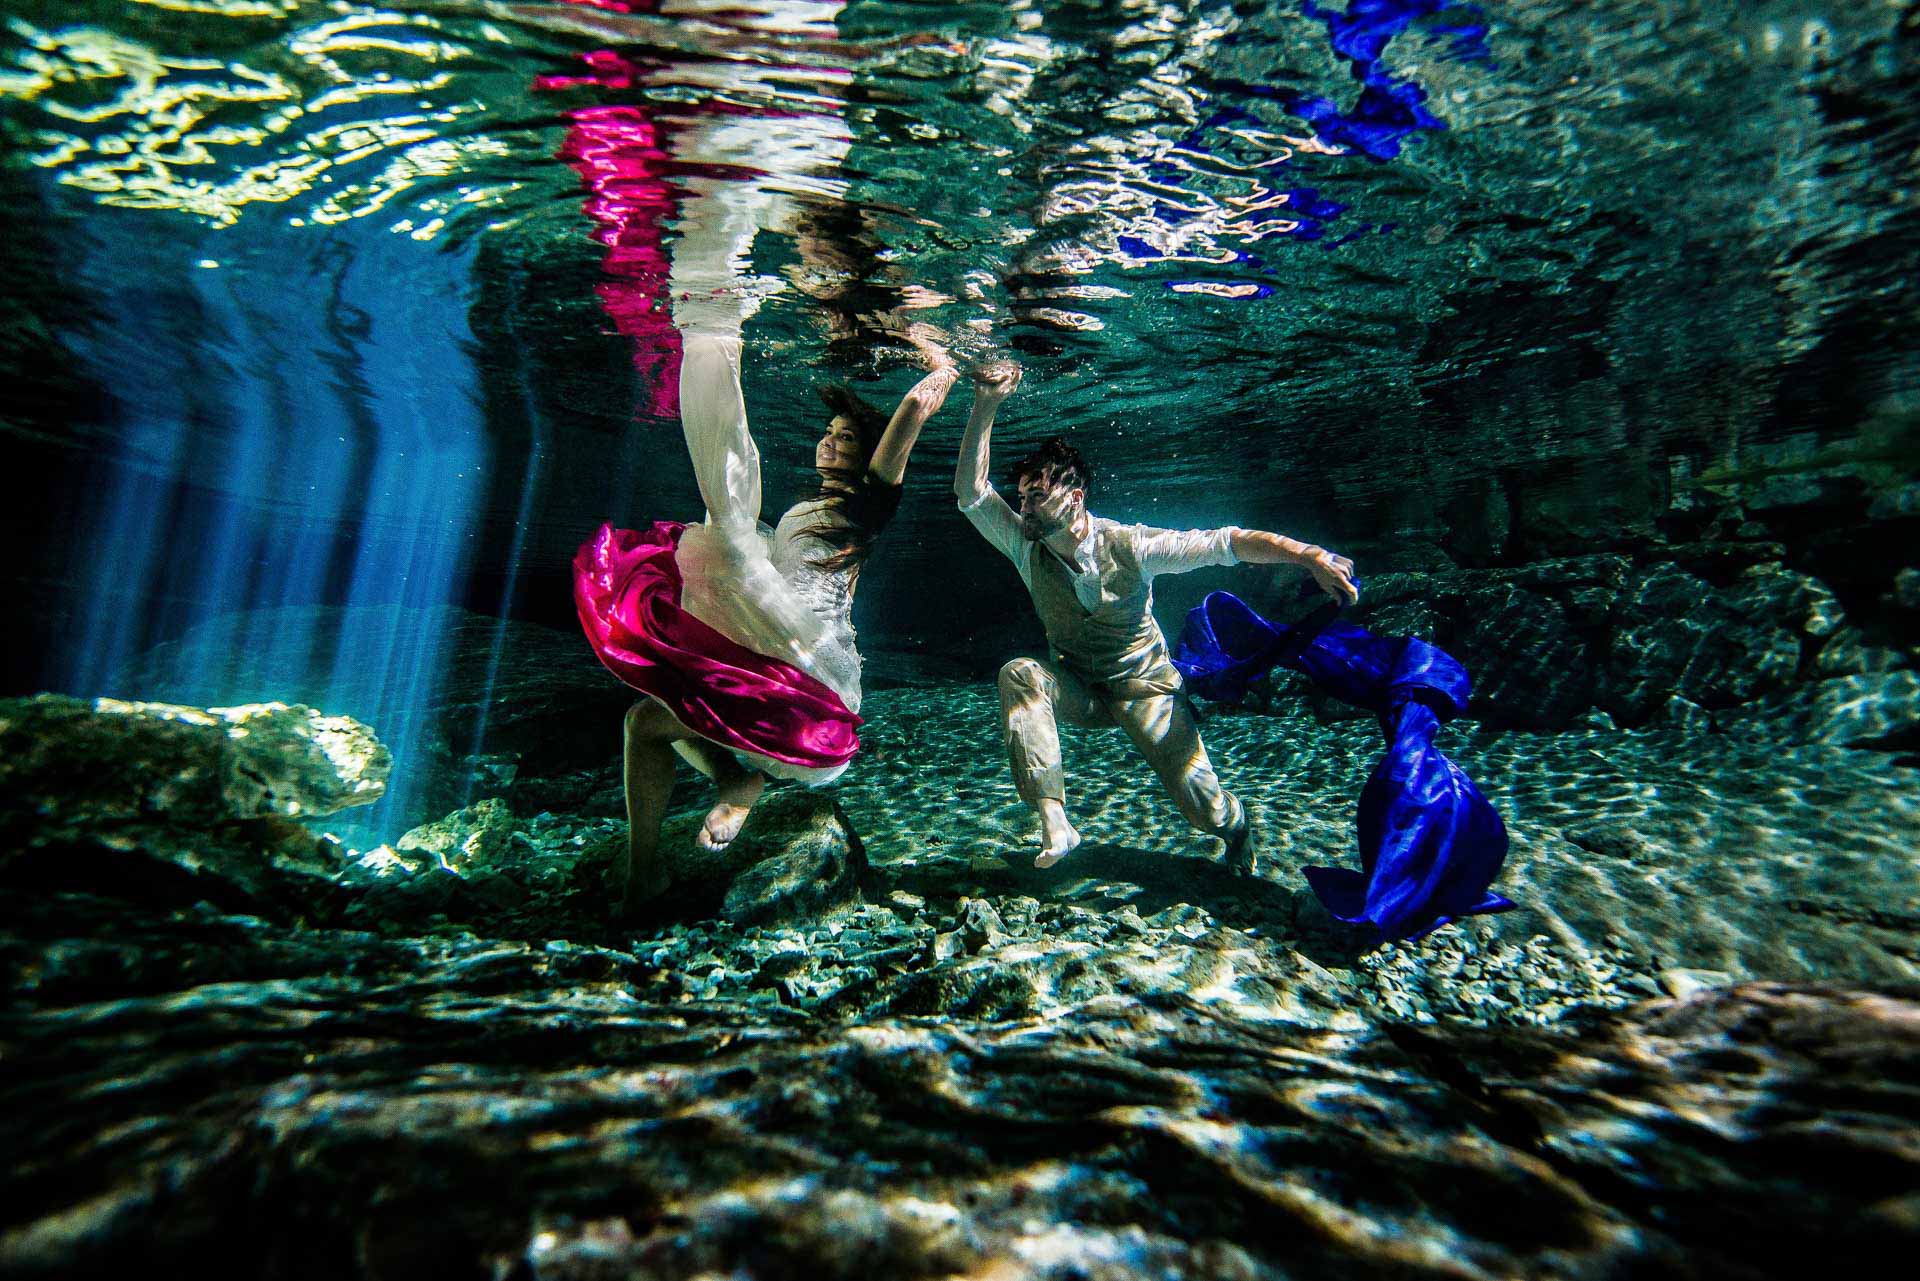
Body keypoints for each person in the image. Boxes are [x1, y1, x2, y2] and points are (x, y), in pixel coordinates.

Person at [573, 169, 961, 915]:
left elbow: (913, 406)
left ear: (864, 456)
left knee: (728, 533)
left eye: (843, 436)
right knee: (644, 722)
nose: (826, 441)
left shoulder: (865, 508)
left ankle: (713, 316)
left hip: (812, 681)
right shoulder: (809, 512)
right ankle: (668, 843)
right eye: (832, 430)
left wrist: (936, 352)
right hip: (782, 707)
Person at [952, 364, 1360, 869]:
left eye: (1037, 495)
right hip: (1080, 685)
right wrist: (986, 404)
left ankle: (1236, 824)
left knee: (1203, 811)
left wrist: (1307, 555)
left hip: (1146, 690)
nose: (1025, 507)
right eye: (1023, 497)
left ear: (1075, 498)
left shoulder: (1132, 545)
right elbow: (971, 492)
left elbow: (1223, 543)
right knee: (1020, 674)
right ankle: (1055, 821)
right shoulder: (1024, 544)